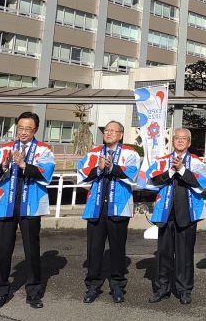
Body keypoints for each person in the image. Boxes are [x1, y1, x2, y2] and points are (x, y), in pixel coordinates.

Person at [0, 111, 55, 310]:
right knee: (3, 250)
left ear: (35, 130)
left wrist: (24, 164)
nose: (23, 132)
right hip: (5, 204)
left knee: (32, 250)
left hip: (30, 205)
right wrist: (5, 165)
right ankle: (1, 291)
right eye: (21, 128)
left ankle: (33, 293)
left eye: (28, 129)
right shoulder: (5, 148)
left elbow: (46, 172)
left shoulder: (44, 149)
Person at [77, 120, 140, 304]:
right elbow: (81, 171)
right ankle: (92, 286)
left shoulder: (130, 152)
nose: (109, 133)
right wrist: (99, 168)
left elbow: (133, 172)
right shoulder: (94, 152)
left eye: (113, 131)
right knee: (94, 249)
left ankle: (118, 286)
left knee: (117, 249)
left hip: (119, 207)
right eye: (106, 130)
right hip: (96, 207)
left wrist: (111, 167)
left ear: (121, 134)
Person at [146, 128, 206, 305]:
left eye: (184, 139)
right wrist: (171, 172)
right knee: (163, 253)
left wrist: (181, 170)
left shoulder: (196, 162)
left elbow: (201, 183)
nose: (180, 141)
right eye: (177, 138)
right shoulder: (163, 160)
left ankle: (184, 290)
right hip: (165, 213)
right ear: (172, 141)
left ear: (189, 143)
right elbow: (151, 180)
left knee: (185, 254)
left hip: (187, 214)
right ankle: (162, 288)